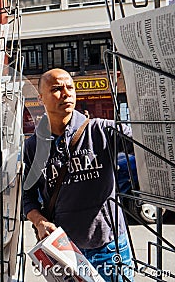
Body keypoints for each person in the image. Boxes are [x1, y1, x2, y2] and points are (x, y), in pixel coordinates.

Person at [23, 68, 133, 281]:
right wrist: (39, 222)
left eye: (70, 87)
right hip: (64, 253)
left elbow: (144, 142)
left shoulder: (102, 131)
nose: (66, 93)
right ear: (41, 98)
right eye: (56, 89)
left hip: (109, 248)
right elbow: (27, 196)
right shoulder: (34, 146)